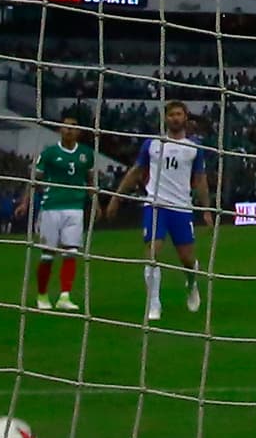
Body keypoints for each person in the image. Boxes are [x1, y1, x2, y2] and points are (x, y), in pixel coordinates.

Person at [105, 101, 212, 320]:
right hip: (155, 205)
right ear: (165, 118)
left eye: (179, 114)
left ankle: (191, 282)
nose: (175, 118)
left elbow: (200, 180)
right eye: (171, 114)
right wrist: (116, 198)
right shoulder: (152, 145)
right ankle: (154, 303)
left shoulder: (194, 148)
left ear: (185, 117)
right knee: (152, 253)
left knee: (187, 258)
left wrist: (207, 209)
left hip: (181, 207)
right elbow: (136, 172)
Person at [15, 113, 96, 310]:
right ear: (60, 129)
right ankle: (42, 296)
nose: (69, 129)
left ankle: (64, 296)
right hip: (51, 207)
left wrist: (96, 203)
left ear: (79, 131)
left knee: (71, 251)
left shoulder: (86, 153)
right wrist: (25, 202)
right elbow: (35, 180)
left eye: (73, 126)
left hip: (75, 208)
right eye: (66, 126)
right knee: (48, 254)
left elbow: (91, 181)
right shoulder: (49, 153)